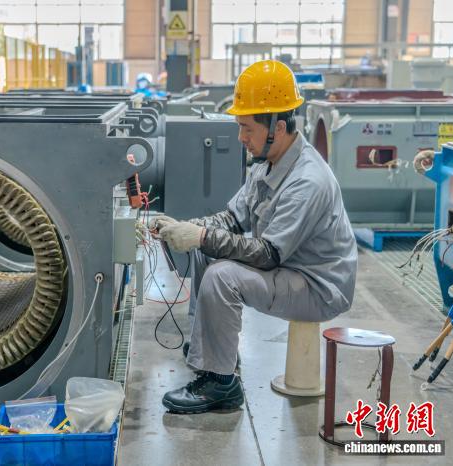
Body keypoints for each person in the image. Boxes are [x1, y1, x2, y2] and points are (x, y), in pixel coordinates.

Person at [152, 60, 357, 414]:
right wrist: (185, 228)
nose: (240, 138)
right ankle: (211, 352)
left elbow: (268, 254)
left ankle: (221, 385)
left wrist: (201, 235)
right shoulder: (268, 163)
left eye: (246, 128)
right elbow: (232, 219)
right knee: (205, 250)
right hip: (289, 268)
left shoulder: (307, 181)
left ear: (278, 127)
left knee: (222, 275)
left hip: (318, 284)